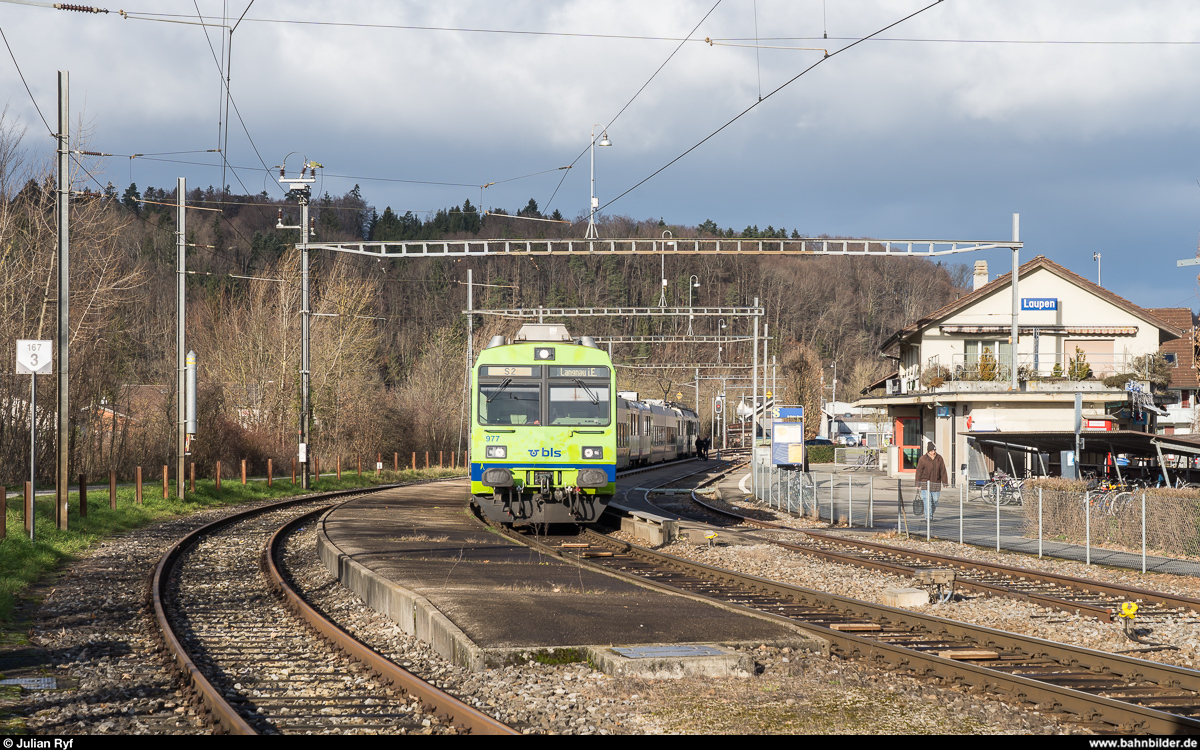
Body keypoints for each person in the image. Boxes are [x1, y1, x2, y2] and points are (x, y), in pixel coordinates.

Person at [914, 444, 948, 519]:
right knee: (927, 500)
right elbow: (919, 472)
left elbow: (943, 470)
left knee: (935, 501)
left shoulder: (939, 458)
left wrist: (944, 482)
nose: (933, 452)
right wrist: (917, 483)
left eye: (934, 450)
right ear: (928, 451)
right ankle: (928, 517)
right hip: (925, 483)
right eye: (932, 451)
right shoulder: (922, 459)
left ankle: (930, 514)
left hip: (936, 483)